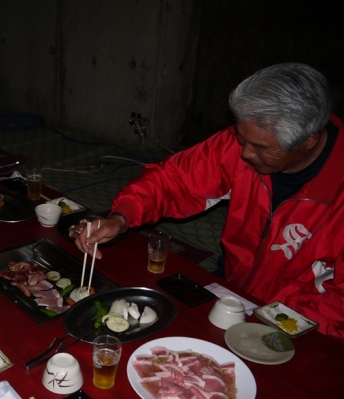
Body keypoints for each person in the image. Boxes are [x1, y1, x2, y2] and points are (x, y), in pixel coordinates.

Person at [76, 63, 344, 340]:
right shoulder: (240, 144)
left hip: (295, 322)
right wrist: (121, 217)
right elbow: (172, 180)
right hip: (230, 288)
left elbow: (338, 306)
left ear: (309, 140)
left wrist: (281, 328)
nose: (245, 154)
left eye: (261, 147)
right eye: (241, 138)